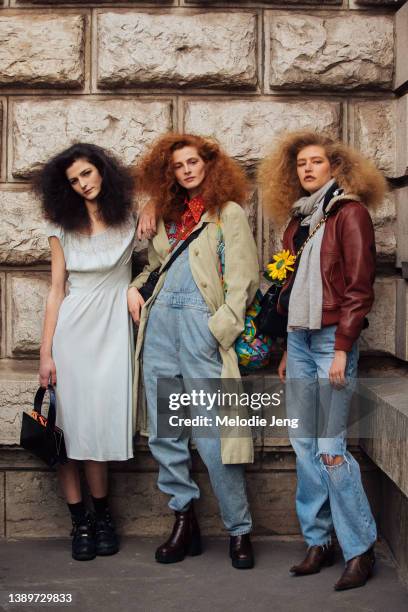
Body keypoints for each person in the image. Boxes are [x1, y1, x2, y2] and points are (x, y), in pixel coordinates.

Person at [258, 131, 386, 590]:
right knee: (304, 447)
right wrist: (290, 349)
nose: (308, 169)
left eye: (316, 162)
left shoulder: (350, 215)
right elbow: (291, 293)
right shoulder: (298, 223)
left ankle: (360, 549)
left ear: (335, 167)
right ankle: (318, 540)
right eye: (301, 164)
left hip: (333, 339)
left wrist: (342, 349)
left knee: (331, 451)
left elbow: (358, 289)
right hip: (301, 341)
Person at [128, 133, 259, 569]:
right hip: (161, 325)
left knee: (213, 435)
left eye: (193, 162)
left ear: (208, 165)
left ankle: (239, 530)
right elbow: (153, 268)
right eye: (178, 165)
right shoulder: (167, 216)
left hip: (200, 328)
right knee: (167, 433)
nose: (186, 170)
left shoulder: (228, 214)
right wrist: (134, 289)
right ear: (171, 173)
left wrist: (218, 328)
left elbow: (244, 279)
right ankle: (184, 520)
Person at [35, 143, 135, 561]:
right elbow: (57, 291)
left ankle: (103, 515)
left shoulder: (130, 218)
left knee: (97, 429)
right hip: (72, 336)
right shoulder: (62, 228)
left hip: (112, 334)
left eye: (87, 174)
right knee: (68, 431)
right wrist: (45, 353)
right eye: (74, 180)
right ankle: (80, 523)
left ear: (102, 172)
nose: (82, 184)